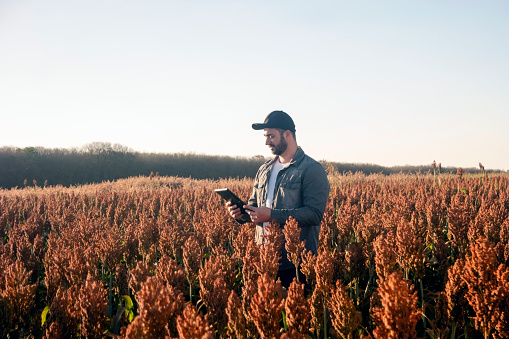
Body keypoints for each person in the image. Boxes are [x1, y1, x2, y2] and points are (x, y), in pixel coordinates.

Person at [226, 110, 330, 288]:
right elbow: (254, 206)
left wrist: (272, 215)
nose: (266, 142)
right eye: (265, 137)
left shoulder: (311, 169)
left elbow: (314, 214)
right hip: (264, 259)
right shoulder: (264, 169)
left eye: (271, 136)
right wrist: (240, 214)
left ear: (287, 134)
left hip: (295, 263)